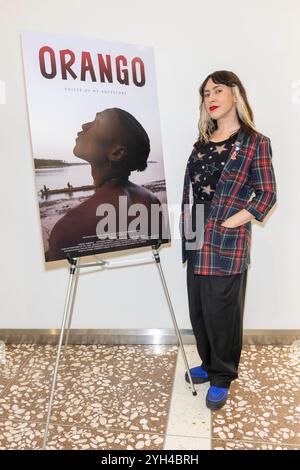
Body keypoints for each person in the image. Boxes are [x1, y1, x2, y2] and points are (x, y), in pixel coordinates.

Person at [180, 70, 277, 411]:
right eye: (206, 93)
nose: (211, 98)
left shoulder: (255, 142)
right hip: (196, 237)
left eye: (218, 90)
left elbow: (267, 195)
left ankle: (222, 376)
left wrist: (233, 221)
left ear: (235, 94)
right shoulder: (202, 142)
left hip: (227, 240)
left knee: (223, 312)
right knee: (200, 312)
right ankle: (207, 364)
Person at [47, 108, 167, 261]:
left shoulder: (68, 227)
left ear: (116, 153)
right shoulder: (151, 201)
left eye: (98, 121)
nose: (84, 125)